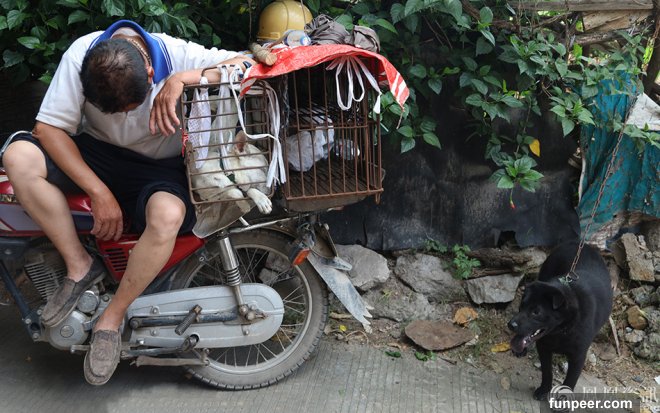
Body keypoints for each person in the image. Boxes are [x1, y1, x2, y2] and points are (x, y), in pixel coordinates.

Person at [1, 19, 254, 385]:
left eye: (129, 108)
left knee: (167, 216)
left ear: (150, 73)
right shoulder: (83, 54)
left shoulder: (178, 55)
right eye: (113, 113)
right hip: (96, 155)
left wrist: (183, 79)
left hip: (159, 168)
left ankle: (112, 318)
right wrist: (99, 192)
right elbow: (49, 128)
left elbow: (248, 63)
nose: (122, 118)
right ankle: (79, 265)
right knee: (18, 158)